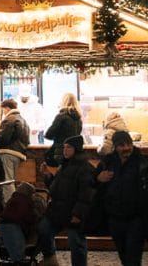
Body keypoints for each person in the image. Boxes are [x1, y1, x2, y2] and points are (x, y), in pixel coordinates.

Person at [36, 136, 94, 266]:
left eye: (69, 147)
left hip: (73, 212)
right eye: (64, 147)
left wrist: (78, 214)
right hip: (59, 210)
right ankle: (50, 258)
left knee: (76, 243)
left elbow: (86, 194)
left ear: (76, 149)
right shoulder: (65, 165)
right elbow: (57, 187)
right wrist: (48, 176)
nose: (65, 150)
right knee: (43, 229)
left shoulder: (84, 168)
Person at [94, 129, 148, 266]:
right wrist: (98, 179)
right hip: (114, 218)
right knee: (123, 255)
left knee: (133, 257)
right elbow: (91, 182)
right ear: (115, 147)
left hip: (136, 218)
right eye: (122, 145)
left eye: (128, 144)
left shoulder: (141, 163)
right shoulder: (108, 162)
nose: (126, 148)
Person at [0, 181, 47, 264]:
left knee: (14, 249)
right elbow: (26, 215)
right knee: (18, 254)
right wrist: (35, 219)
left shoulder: (14, 198)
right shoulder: (24, 201)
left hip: (6, 223)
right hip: (13, 224)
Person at [0, 98, 29, 205]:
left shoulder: (9, 119)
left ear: (7, 108)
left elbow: (2, 138)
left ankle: (11, 207)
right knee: (10, 181)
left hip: (8, 153)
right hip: (19, 154)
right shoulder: (23, 120)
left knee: (7, 182)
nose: (3, 112)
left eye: (3, 110)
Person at [43, 92, 81, 168]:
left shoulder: (61, 116)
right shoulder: (78, 119)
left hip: (61, 152)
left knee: (58, 176)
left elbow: (48, 135)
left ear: (63, 102)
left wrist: (58, 136)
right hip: (74, 153)